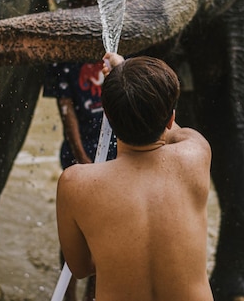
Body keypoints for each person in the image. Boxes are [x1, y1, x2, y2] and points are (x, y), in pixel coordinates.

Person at [56, 52, 214, 301]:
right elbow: (171, 129)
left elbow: (80, 267)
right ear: (171, 117)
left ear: (106, 116)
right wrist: (126, 73)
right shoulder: (196, 153)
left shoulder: (75, 183)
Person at [43, 0, 117, 301]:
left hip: (117, 156)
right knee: (75, 236)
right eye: (75, 7)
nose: (79, 13)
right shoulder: (63, 51)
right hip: (79, 154)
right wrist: (83, 159)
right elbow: (66, 107)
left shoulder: (112, 46)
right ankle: (69, 295)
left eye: (86, 5)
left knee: (109, 237)